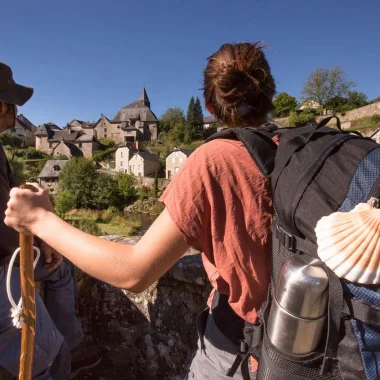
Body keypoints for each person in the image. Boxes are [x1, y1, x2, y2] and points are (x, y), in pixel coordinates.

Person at [5, 42, 276, 379]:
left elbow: (134, 272)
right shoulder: (306, 147)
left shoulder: (214, 158)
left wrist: (40, 219)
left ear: (209, 104)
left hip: (249, 343)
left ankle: (66, 356)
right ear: (270, 95)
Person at [0, 62, 101, 379]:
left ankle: (70, 349)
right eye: (13, 104)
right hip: (2, 267)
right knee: (41, 357)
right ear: (3, 106)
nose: (15, 112)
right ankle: (56, 359)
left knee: (60, 270)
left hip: (8, 257)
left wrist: (42, 242)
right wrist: (43, 231)